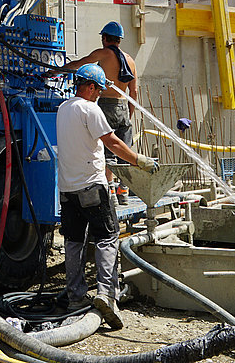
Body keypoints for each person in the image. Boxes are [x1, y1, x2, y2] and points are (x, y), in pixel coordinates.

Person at [56, 63, 159, 328]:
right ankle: (106, 295)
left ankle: (76, 298)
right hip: (92, 187)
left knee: (74, 242)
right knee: (107, 238)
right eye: (98, 89)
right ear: (90, 87)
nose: (100, 94)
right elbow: (112, 142)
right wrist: (139, 160)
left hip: (67, 190)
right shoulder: (90, 109)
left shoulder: (63, 108)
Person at [52, 22, 138, 147]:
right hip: (124, 107)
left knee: (107, 152)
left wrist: (55, 71)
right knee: (124, 151)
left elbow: (78, 64)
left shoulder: (104, 53)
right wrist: (128, 116)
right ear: (119, 40)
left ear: (104, 38)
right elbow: (134, 92)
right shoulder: (130, 60)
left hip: (107, 105)